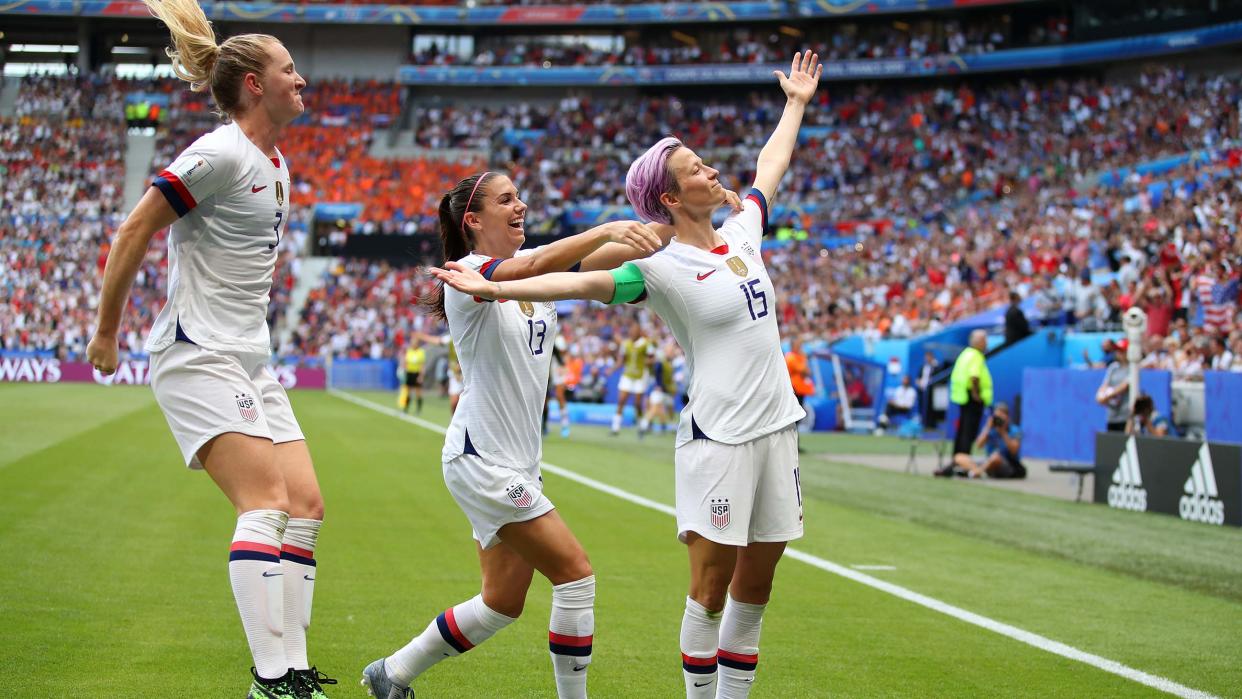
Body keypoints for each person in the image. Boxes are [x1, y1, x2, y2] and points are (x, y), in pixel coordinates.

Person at [431, 50, 822, 699]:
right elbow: (582, 279)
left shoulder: (743, 233)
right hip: (716, 434)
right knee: (706, 586)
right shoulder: (660, 262)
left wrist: (796, 104)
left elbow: (768, 169)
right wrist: (494, 291)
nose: (710, 167)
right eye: (693, 165)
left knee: (756, 587)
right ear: (670, 195)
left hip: (778, 428)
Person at [361, 171, 724, 699]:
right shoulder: (469, 273)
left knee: (500, 603)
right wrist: (605, 228)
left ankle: (391, 674)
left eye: (520, 197)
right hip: (482, 459)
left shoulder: (532, 280)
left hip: (515, 461)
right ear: (474, 220)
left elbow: (597, 265)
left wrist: (680, 223)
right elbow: (534, 263)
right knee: (576, 576)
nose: (521, 206)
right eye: (506, 200)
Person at [85, 4, 332, 696]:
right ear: (255, 84)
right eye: (289, 68)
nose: (301, 77)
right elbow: (135, 229)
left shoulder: (274, 164)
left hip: (250, 357)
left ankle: (296, 670)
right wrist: (107, 332)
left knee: (306, 505)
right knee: (266, 501)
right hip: (199, 353)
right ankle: (270, 678)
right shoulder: (218, 152)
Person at [938, 330, 992, 478]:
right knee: (968, 433)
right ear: (978, 341)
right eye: (985, 339)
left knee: (962, 432)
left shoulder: (965, 354)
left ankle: (957, 460)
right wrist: (976, 394)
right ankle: (963, 464)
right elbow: (974, 376)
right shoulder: (976, 356)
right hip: (971, 399)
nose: (986, 343)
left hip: (962, 398)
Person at [613, 320, 655, 436]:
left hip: (640, 376)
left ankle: (641, 425)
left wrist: (646, 362)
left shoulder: (646, 343)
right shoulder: (625, 343)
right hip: (627, 375)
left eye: (635, 330)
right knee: (621, 400)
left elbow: (652, 358)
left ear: (639, 332)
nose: (632, 332)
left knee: (637, 404)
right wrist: (612, 369)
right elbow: (621, 360)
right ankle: (615, 428)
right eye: (631, 330)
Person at [965, 402, 1025, 479]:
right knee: (959, 457)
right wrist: (987, 427)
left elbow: (1014, 450)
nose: (998, 420)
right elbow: (979, 445)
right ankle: (980, 471)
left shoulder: (1015, 430)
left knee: (996, 457)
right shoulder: (990, 429)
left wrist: (1003, 432)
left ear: (1007, 417)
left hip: (1008, 463)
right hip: (988, 461)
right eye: (997, 417)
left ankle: (977, 472)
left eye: (1001, 417)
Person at [1096, 340, 1130, 432]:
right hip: (1112, 415)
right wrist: (1099, 395)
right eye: (1118, 351)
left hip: (1125, 415)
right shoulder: (1113, 367)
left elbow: (1124, 386)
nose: (1119, 353)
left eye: (1122, 351)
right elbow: (1104, 384)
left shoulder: (1132, 368)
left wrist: (1106, 397)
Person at [399, 338, 426, 414]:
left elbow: (422, 365)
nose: (413, 344)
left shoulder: (421, 352)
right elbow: (405, 362)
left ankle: (418, 409)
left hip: (417, 373)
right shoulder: (409, 351)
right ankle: (405, 408)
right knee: (408, 392)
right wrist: (403, 372)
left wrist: (421, 376)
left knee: (418, 392)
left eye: (415, 343)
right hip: (409, 373)